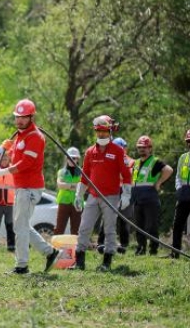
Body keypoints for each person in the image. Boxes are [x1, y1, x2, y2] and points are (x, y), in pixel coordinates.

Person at [0, 99, 61, 275]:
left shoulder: (36, 137)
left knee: (20, 226)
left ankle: (22, 266)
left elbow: (26, 163)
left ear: (31, 117)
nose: (19, 121)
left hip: (30, 187)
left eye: (23, 117)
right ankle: (50, 253)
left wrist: (3, 172)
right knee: (21, 225)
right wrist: (7, 149)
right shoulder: (21, 137)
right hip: (22, 187)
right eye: (17, 117)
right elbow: (15, 157)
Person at [70, 115, 132, 272]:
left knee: (109, 230)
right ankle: (79, 261)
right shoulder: (90, 152)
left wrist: (126, 195)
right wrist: (78, 195)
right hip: (93, 196)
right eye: (98, 132)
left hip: (111, 197)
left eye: (104, 132)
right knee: (84, 227)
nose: (101, 135)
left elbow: (126, 175)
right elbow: (85, 176)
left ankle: (107, 262)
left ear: (110, 131)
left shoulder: (118, 151)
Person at [131, 135, 173, 256]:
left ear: (150, 148)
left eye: (145, 147)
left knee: (151, 226)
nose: (142, 149)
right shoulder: (136, 162)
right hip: (137, 198)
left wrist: (159, 182)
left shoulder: (155, 161)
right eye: (140, 147)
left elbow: (169, 170)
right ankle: (141, 248)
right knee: (139, 226)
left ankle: (153, 250)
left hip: (150, 198)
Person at [97, 136, 135, 254]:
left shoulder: (130, 161)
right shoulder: (107, 158)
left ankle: (123, 245)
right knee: (107, 217)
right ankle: (101, 243)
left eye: (121, 148)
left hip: (124, 191)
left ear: (125, 149)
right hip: (111, 190)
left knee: (124, 219)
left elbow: (128, 175)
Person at [169, 128, 190, 258]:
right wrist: (179, 188)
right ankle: (175, 252)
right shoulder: (183, 157)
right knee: (177, 224)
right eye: (188, 141)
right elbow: (178, 176)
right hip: (184, 192)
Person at [54, 147, 82, 235]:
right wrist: (75, 185)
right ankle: (56, 248)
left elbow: (83, 187)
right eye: (70, 157)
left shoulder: (82, 172)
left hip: (77, 203)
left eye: (74, 158)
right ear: (66, 158)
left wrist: (67, 185)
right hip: (63, 202)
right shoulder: (61, 172)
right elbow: (60, 185)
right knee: (59, 228)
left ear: (78, 159)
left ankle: (76, 248)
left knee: (76, 229)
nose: (72, 160)